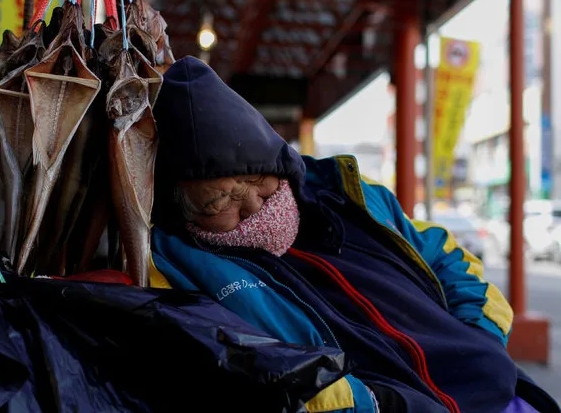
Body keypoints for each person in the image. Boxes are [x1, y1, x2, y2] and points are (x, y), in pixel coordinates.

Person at [148, 56, 559, 413]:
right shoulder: (181, 263)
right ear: (180, 209)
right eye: (219, 203)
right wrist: (383, 405)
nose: (254, 208)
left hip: (504, 393)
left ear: (279, 162)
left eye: (258, 180)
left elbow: (448, 256)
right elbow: (250, 365)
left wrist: (481, 339)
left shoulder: (349, 196)